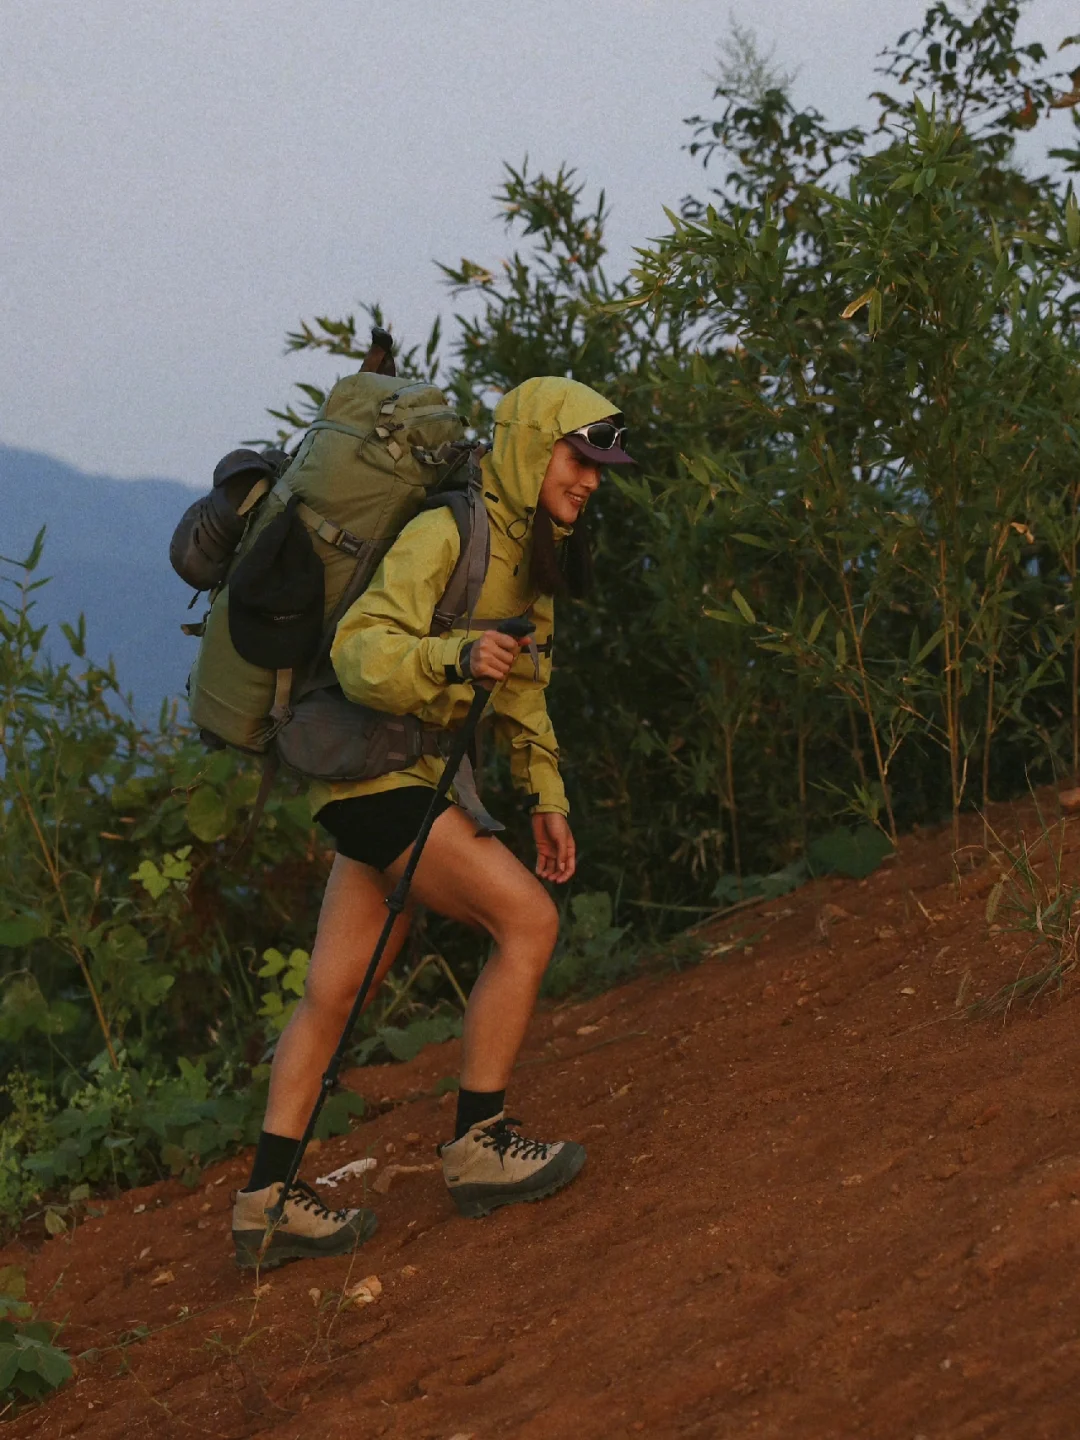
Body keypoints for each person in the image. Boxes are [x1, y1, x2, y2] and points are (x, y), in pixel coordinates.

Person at [231, 376, 635, 1269]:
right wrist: (454, 655)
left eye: (601, 466)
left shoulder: (532, 555)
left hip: (406, 786)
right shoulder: (448, 531)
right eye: (580, 459)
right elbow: (361, 649)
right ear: (535, 448)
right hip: (382, 779)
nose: (592, 480)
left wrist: (550, 802)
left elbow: (525, 691)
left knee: (336, 991)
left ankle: (266, 1202)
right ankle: (478, 1145)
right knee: (527, 922)